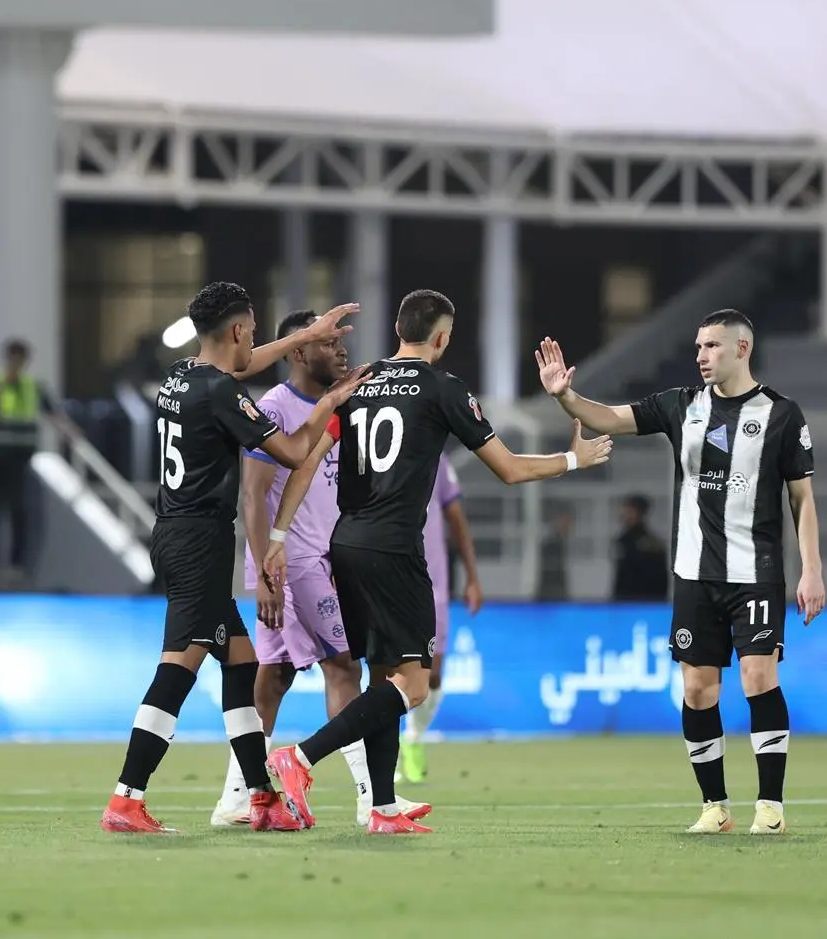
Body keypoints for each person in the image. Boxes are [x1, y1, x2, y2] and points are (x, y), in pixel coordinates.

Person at [264, 289, 613, 835]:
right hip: (394, 549)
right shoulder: (444, 388)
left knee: (383, 679)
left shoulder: (359, 382)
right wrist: (574, 458)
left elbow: (307, 462)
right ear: (443, 337)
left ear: (398, 329)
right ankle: (302, 757)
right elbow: (510, 469)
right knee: (413, 685)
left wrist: (278, 535)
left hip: (346, 544)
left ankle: (382, 808)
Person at [536, 308, 825, 836]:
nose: (701, 356)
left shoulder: (782, 414)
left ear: (741, 349)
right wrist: (565, 396)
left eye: (711, 346)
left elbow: (801, 498)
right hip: (693, 574)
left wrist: (812, 570)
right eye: (697, 347)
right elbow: (611, 418)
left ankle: (771, 807)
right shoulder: (681, 405)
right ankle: (715, 807)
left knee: (759, 678)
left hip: (756, 573)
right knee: (697, 691)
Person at [100, 283, 366, 835]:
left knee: (242, 664)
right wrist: (330, 403)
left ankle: (258, 798)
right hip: (199, 543)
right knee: (177, 669)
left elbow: (240, 367)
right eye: (253, 333)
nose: (255, 344)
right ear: (239, 330)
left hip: (175, 533)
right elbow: (293, 451)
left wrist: (307, 335)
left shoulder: (180, 377)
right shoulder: (222, 393)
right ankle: (126, 798)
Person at [209, 309, 428, 829]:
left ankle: (237, 798)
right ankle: (371, 798)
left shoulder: (345, 403)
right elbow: (253, 495)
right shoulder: (275, 407)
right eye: (329, 343)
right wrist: (266, 570)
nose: (341, 350)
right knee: (344, 667)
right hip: (294, 561)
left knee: (275, 676)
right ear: (300, 351)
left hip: (325, 559)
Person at [397, 451, 482, 785]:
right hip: (390, 576)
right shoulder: (377, 445)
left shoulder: (437, 459)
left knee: (431, 675)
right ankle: (385, 754)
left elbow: (456, 519)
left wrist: (472, 576)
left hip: (433, 582)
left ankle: (414, 738)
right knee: (390, 672)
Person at [0, 338, 66, 582]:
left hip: (21, 453)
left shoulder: (34, 385)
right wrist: (5, 386)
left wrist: (69, 432)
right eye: (13, 358)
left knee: (19, 508)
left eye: (20, 359)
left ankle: (16, 563)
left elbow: (52, 412)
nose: (16, 363)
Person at [612, 495, 670, 602]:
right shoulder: (623, 540)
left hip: (645, 601)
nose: (624, 515)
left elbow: (659, 579)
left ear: (639, 513)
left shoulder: (652, 544)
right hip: (623, 602)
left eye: (629, 511)